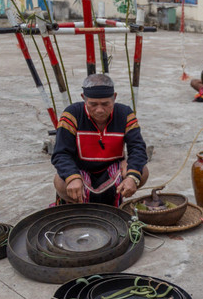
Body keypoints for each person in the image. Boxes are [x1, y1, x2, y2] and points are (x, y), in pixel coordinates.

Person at [51, 74, 150, 206]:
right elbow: (60, 153)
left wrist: (132, 177)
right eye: (93, 104)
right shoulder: (72, 114)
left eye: (105, 104)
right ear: (83, 99)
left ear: (114, 97)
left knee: (142, 171)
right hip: (81, 169)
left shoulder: (125, 114)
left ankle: (115, 201)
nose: (99, 110)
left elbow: (138, 148)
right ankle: (77, 205)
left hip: (112, 168)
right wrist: (73, 177)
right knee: (60, 181)